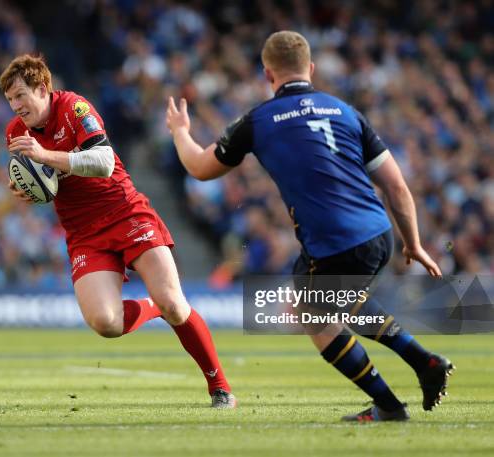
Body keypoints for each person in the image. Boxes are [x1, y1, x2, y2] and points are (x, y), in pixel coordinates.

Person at [166, 31, 454, 421]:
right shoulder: (346, 111)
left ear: (268, 73)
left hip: (334, 240)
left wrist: (181, 131)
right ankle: (425, 364)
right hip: (378, 234)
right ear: (311, 69)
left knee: (312, 314)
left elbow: (201, 168)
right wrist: (414, 243)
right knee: (344, 302)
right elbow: (397, 186)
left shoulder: (258, 120)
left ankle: (391, 405)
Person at [0, 54, 235, 408]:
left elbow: (103, 162)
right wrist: (25, 188)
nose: (16, 106)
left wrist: (47, 156)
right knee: (105, 323)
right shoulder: (15, 133)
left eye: (21, 95)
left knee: (175, 303)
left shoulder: (75, 108)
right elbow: (43, 184)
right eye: (10, 100)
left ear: (43, 88)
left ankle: (220, 388)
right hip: (83, 232)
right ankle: (151, 306)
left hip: (124, 212)